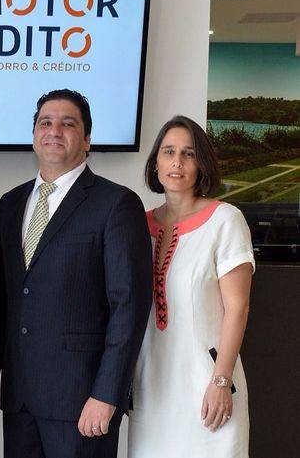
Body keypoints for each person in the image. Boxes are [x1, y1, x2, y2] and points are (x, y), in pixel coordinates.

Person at [0, 89, 153, 458]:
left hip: (83, 400)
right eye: (45, 122)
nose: (54, 130)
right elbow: (5, 295)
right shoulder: (11, 203)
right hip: (20, 397)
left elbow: (129, 309)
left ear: (86, 139)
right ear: (35, 134)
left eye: (68, 124)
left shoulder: (116, 204)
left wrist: (107, 394)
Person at [127, 115, 254, 457]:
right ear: (155, 164)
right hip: (151, 392)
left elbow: (237, 308)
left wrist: (220, 381)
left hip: (208, 392)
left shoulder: (226, 220)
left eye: (189, 153)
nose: (177, 163)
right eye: (168, 152)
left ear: (202, 164)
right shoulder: (137, 225)